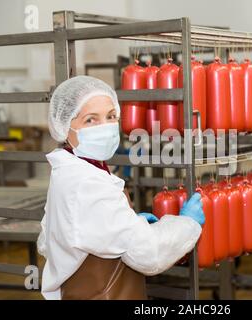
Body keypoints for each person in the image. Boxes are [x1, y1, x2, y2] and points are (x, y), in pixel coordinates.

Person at [37, 75, 204, 300]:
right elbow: (149, 254)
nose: (104, 126)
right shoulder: (88, 184)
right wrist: (187, 223)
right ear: (65, 127)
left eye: (111, 116)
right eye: (90, 120)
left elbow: (52, 238)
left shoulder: (70, 171)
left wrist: (127, 224)